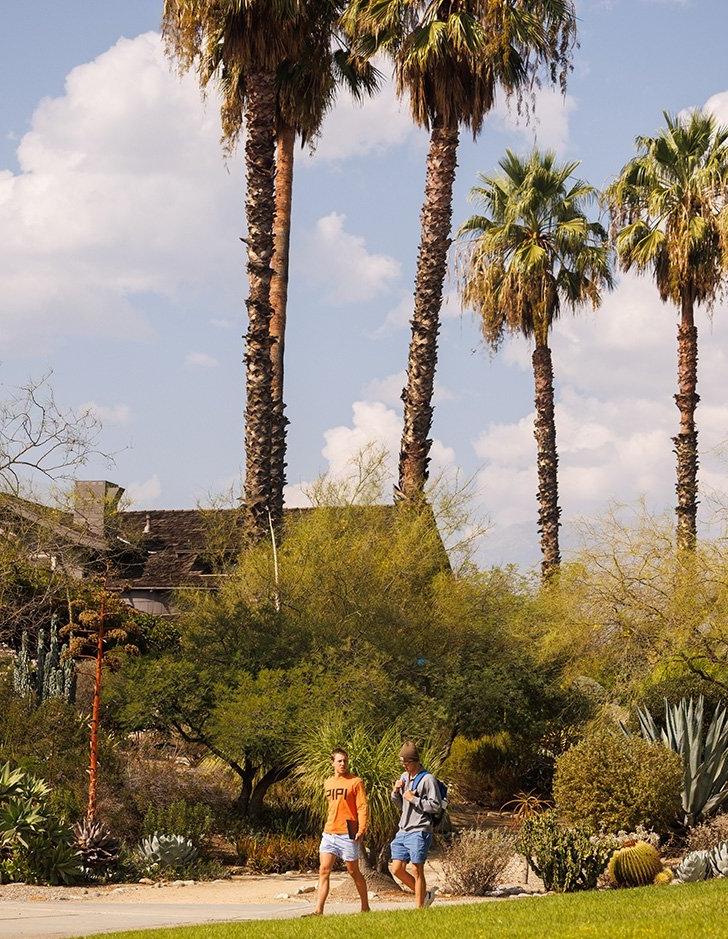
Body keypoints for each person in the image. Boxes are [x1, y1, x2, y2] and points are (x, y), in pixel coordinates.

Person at [310, 747, 370, 916]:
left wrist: (361, 828)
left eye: (345, 760)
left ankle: (365, 907)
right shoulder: (328, 782)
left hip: (347, 834)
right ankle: (318, 911)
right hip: (329, 833)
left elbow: (362, 806)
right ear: (333, 763)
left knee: (353, 872)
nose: (343, 764)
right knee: (324, 870)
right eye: (339, 761)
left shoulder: (355, 781)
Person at [390, 740, 441, 909]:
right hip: (403, 829)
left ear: (415, 761)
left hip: (419, 830)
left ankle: (419, 908)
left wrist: (414, 799)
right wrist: (396, 792)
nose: (404, 766)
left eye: (406, 762)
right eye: (402, 762)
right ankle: (425, 895)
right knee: (397, 869)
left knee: (417, 869)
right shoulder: (404, 777)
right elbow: (400, 805)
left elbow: (435, 806)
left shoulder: (428, 779)